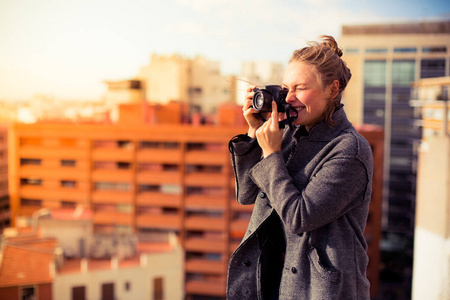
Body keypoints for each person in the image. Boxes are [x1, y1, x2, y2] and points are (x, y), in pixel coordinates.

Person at [226, 35, 373, 300]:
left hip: (316, 288)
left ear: (332, 89)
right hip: (269, 278)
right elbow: (246, 194)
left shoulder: (350, 150)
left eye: (300, 88)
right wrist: (253, 132)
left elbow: (300, 217)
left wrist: (271, 155)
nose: (289, 98)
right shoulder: (287, 133)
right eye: (285, 88)